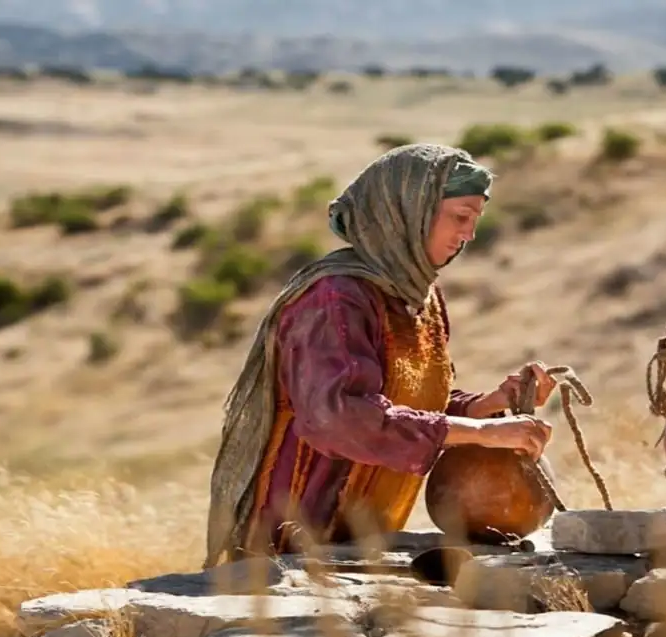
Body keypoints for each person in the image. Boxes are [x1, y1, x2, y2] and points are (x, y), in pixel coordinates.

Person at [203, 143, 558, 569]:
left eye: (475, 221)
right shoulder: (334, 298)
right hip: (295, 536)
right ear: (408, 211)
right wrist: (480, 432)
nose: (468, 235)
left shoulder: (417, 297)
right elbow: (341, 418)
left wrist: (489, 406)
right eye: (460, 217)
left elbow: (407, 404)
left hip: (363, 534)